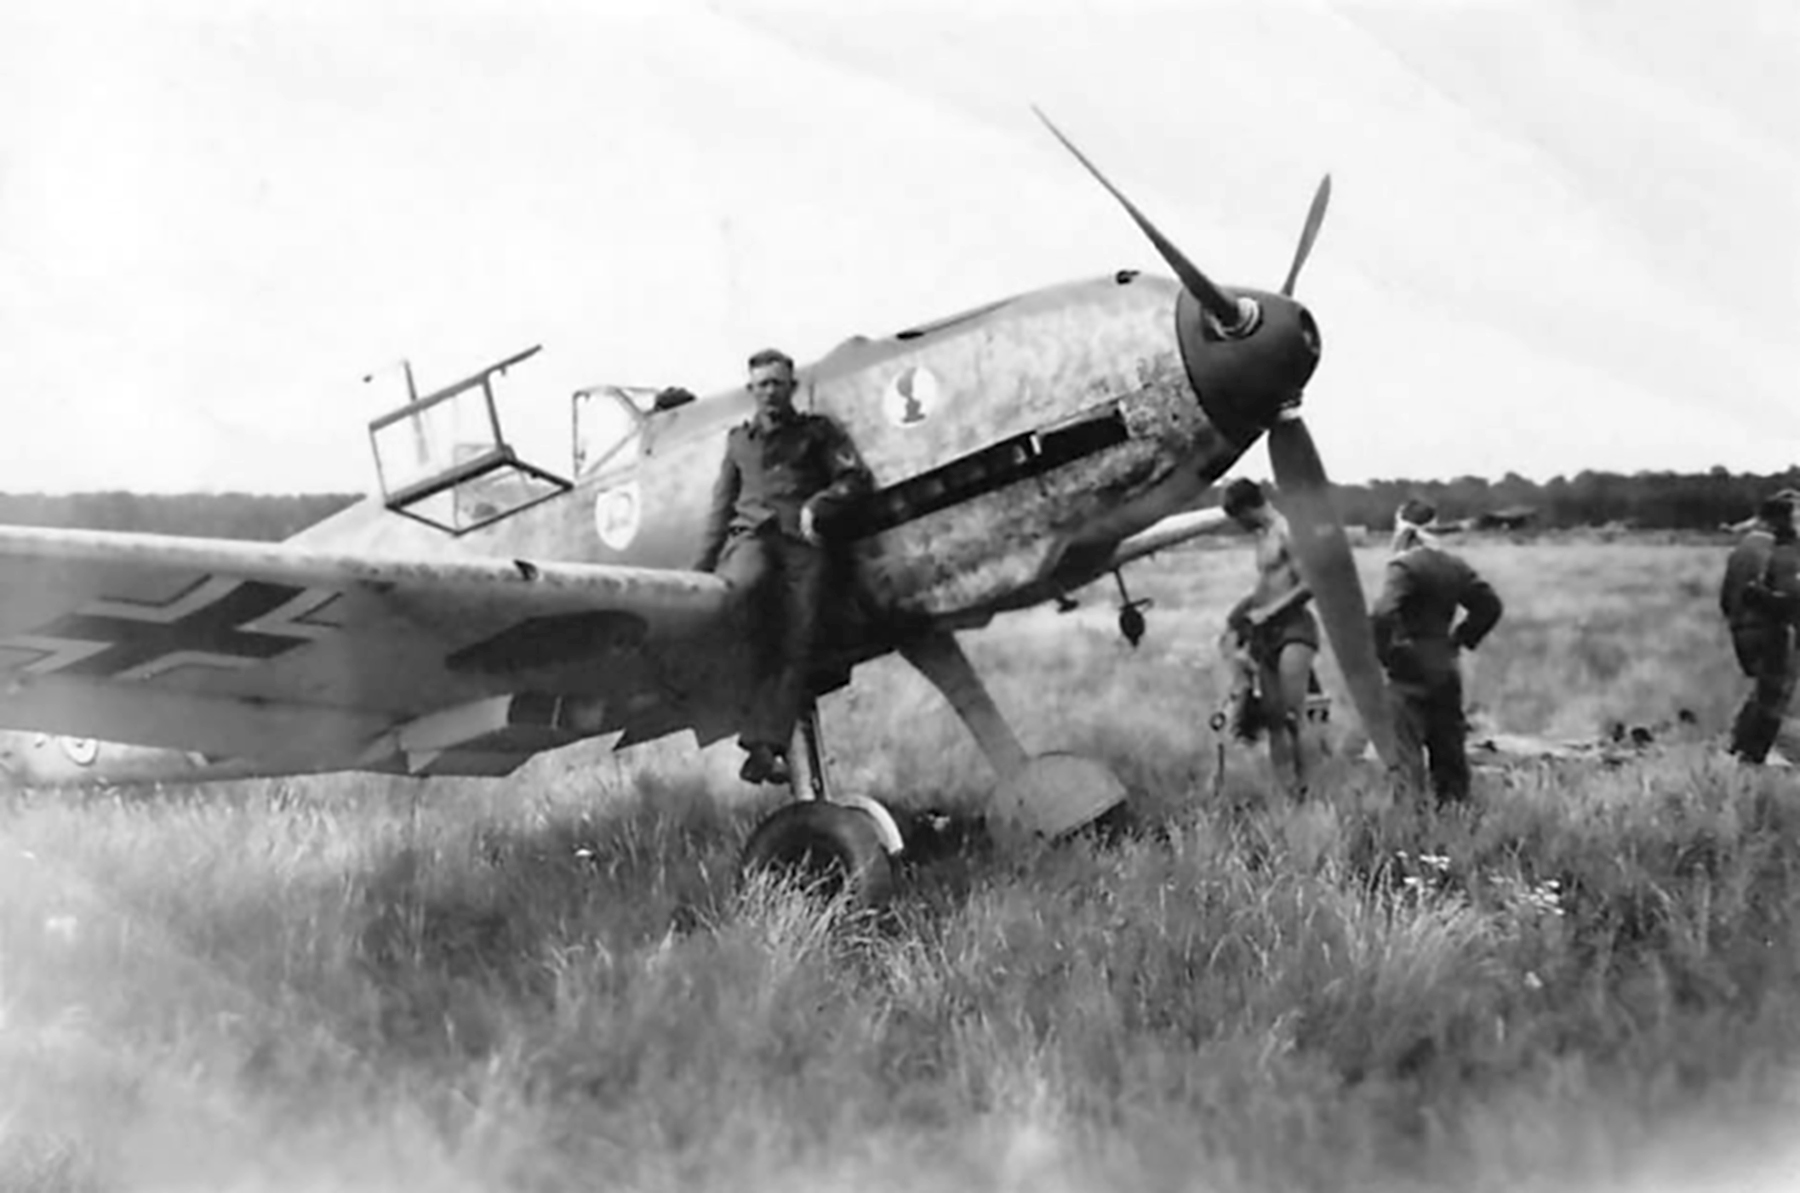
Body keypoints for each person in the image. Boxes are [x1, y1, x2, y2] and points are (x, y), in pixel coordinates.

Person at [696, 348, 873, 785]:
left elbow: (855, 478)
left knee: (799, 636)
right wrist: (699, 571)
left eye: (777, 383)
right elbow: (720, 509)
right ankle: (754, 729)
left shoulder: (817, 432)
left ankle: (764, 747)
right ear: (750, 390)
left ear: (792, 387)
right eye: (762, 385)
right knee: (741, 595)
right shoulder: (738, 442)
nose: (770, 392)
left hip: (801, 544)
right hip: (751, 538)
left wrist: (820, 504)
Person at [1369, 497, 1504, 807]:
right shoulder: (1453, 565)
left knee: (1406, 750)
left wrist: (1386, 653)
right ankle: (1455, 814)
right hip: (1445, 664)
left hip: (1408, 666)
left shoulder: (1403, 566)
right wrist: (1461, 639)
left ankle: (1412, 817)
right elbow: (1490, 605)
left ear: (1402, 528)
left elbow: (1382, 613)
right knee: (1449, 750)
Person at [1220, 478, 1321, 798]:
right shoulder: (1262, 536)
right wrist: (1242, 617)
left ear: (1248, 508)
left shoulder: (1287, 531)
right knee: (1274, 717)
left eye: (1239, 518)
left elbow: (1310, 584)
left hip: (1294, 629)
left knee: (1294, 714)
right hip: (1266, 633)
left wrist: (1270, 611)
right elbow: (1267, 583)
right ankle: (1286, 792)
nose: (1240, 526)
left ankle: (1309, 789)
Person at [1720, 492, 1800, 765]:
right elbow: (1786, 595)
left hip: (1744, 626)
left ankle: (1739, 750)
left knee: (1764, 693)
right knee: (1774, 695)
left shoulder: (1745, 547)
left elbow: (1727, 598)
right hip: (1771, 627)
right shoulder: (1777, 550)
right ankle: (1752, 756)